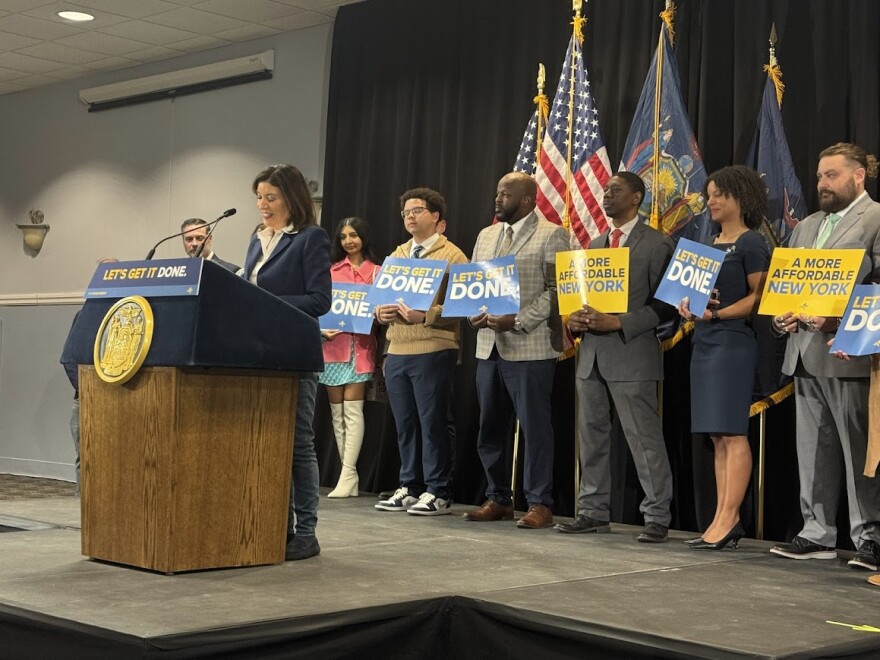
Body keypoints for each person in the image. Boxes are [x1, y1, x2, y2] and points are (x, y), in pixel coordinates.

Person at [769, 143, 880, 569]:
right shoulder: (807, 225)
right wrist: (782, 320)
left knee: (859, 452)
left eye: (831, 175)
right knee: (811, 450)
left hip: (848, 354)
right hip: (803, 354)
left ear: (858, 176)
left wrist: (838, 322)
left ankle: (869, 536)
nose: (822, 184)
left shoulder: (874, 219)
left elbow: (876, 292)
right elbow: (786, 288)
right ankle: (817, 533)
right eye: (819, 176)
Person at [554, 172, 675, 543]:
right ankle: (592, 511)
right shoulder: (596, 243)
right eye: (604, 190)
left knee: (644, 439)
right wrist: (574, 318)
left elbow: (666, 307)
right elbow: (582, 298)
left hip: (632, 355)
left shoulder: (657, 244)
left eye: (614, 190)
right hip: (590, 356)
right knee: (590, 438)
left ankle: (657, 515)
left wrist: (618, 322)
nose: (606, 196)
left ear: (636, 197)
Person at [463, 172, 569, 529]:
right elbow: (474, 284)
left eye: (505, 193)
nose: (498, 198)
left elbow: (557, 292)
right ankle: (498, 497)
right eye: (497, 191)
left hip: (531, 346)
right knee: (489, 426)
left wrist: (519, 319)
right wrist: (472, 313)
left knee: (535, 428)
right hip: (487, 346)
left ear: (526, 200)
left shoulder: (552, 234)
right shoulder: (486, 235)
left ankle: (540, 502)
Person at [676, 165, 770, 550]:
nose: (711, 201)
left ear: (739, 198)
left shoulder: (752, 243)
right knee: (717, 435)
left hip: (732, 343)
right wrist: (688, 305)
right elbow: (691, 293)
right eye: (709, 194)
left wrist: (716, 313)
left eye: (719, 195)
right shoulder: (707, 242)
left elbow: (758, 298)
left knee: (733, 431)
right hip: (704, 343)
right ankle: (718, 518)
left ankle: (730, 519)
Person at [243, 164, 331, 560]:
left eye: (271, 197)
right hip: (258, 355)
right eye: (259, 197)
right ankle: (276, 526)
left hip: (294, 355)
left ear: (291, 199)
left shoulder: (310, 238)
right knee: (267, 442)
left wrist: (265, 302)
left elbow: (319, 300)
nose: (262, 205)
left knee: (297, 444)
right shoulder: (256, 239)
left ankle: (306, 533)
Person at [374, 187, 467, 516]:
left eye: (417, 211)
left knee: (433, 422)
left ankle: (438, 491)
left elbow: (463, 305)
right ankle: (410, 485)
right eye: (405, 213)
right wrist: (379, 314)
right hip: (398, 349)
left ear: (436, 218)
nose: (410, 217)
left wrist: (426, 315)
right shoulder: (397, 254)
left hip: (434, 347)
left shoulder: (452, 255)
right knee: (406, 423)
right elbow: (379, 301)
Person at [320, 217, 381, 498]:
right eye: (343, 236)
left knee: (353, 412)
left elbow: (383, 310)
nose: (348, 241)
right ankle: (349, 476)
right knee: (337, 416)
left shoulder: (378, 273)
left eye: (353, 235)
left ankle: (347, 473)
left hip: (362, 349)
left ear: (364, 238)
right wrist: (322, 329)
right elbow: (320, 308)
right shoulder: (330, 272)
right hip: (332, 349)